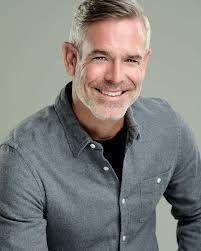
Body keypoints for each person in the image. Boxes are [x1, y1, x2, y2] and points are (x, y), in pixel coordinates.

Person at [0, 0, 201, 250]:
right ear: (71, 59)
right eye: (101, 57)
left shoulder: (167, 128)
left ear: (145, 63)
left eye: (131, 60)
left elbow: (197, 213)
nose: (116, 77)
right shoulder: (22, 161)